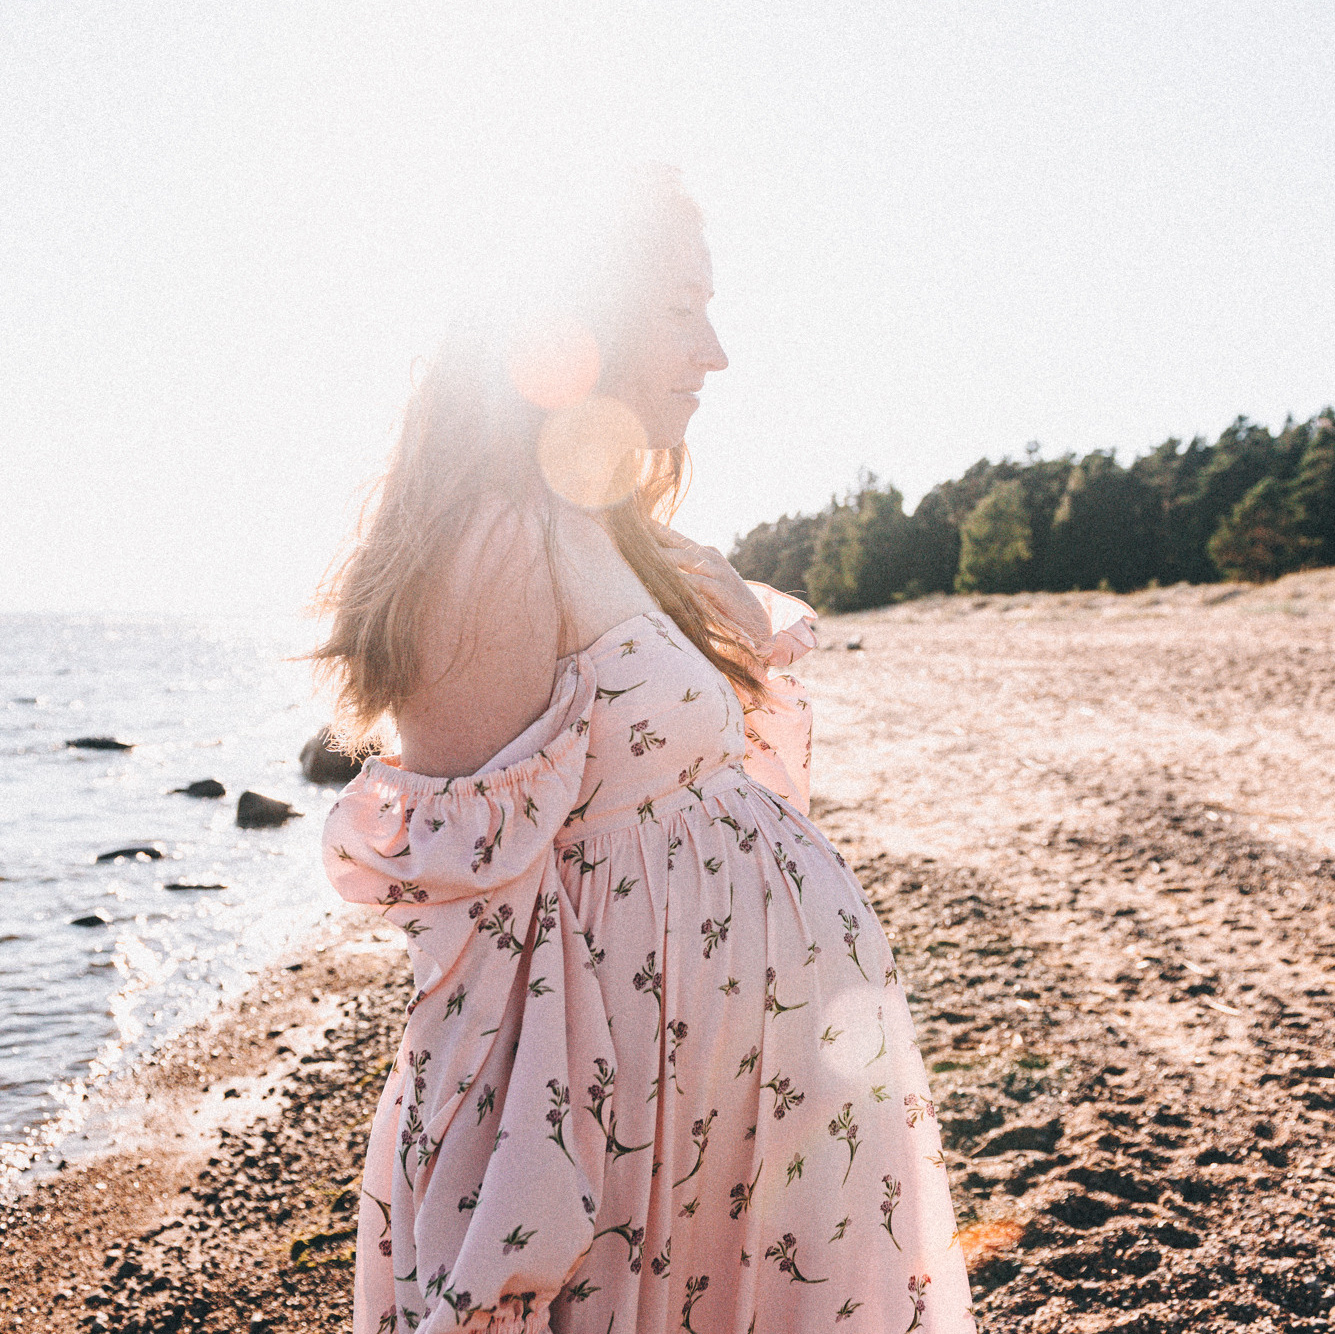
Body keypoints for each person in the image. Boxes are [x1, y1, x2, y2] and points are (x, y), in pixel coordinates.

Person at [312, 168, 973, 1334]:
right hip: (643, 1131)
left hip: (739, 1115)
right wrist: (501, 1236)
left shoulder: (616, 535)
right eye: (681, 308)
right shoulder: (493, 546)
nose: (714, 351)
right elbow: (480, 948)